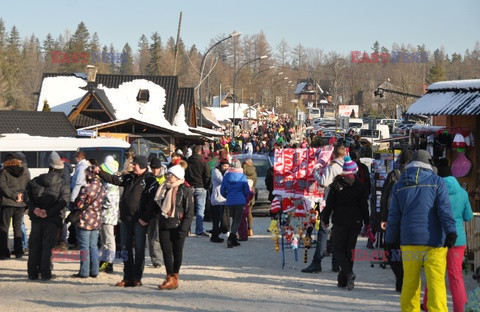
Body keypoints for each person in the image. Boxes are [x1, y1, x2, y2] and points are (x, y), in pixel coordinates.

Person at [386, 150, 457, 311]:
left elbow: (394, 216)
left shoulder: (399, 185)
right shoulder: (438, 182)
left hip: (409, 240)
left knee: (410, 281)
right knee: (436, 282)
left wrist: (390, 240)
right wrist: (451, 232)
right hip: (435, 241)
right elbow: (444, 210)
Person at [97, 155, 158, 287]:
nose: (132, 166)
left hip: (140, 220)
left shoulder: (150, 179)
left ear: (142, 165)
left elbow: (153, 202)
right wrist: (99, 172)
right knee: (125, 249)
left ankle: (137, 278)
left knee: (140, 249)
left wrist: (145, 218)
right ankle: (127, 277)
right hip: (125, 219)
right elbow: (114, 179)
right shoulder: (128, 177)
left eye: (135, 164)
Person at [422, 158, 473, 311]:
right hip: (458, 240)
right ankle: (460, 308)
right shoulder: (462, 193)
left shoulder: (433, 190)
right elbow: (469, 217)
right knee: (456, 276)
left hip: (437, 238)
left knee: (434, 274)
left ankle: (428, 304)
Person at [322, 156, 369, 290]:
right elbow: (364, 206)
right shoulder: (360, 186)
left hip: (340, 222)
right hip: (356, 222)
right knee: (349, 251)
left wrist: (325, 220)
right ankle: (343, 280)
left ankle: (348, 274)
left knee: (337, 249)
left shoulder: (336, 185)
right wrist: (367, 222)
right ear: (354, 172)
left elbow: (329, 205)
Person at [26, 152, 70, 280]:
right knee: (47, 247)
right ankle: (45, 273)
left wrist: (35, 209)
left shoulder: (35, 181)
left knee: (34, 246)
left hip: (36, 219)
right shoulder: (63, 184)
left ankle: (32, 273)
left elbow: (26, 196)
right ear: (60, 170)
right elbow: (64, 201)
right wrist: (48, 212)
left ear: (50, 167)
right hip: (52, 219)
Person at [302, 145, 345, 273]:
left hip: (331, 202)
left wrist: (316, 171)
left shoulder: (332, 167)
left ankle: (317, 263)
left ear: (333, 155)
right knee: (337, 233)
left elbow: (323, 183)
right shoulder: (347, 166)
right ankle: (336, 263)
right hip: (344, 204)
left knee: (323, 232)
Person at [153, 164, 194, 290]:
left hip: (178, 225)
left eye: (171, 174)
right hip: (164, 223)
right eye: (168, 174)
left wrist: (184, 228)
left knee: (177, 252)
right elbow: (157, 206)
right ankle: (169, 276)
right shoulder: (163, 188)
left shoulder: (185, 190)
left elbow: (189, 212)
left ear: (178, 177)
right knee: (166, 251)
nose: (168, 176)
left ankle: (175, 276)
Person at [379, 149, 413, 292]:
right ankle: (404, 279)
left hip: (394, 218)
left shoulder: (394, 174)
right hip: (409, 220)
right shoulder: (415, 176)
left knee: (391, 249)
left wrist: (383, 217)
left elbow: (385, 196)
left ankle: (401, 279)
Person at [72, 166, 106, 278]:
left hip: (85, 220)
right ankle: (95, 271)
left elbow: (79, 204)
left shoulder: (86, 188)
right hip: (96, 219)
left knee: (84, 246)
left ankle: (84, 272)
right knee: (93, 246)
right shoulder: (102, 187)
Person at [0, 153, 30, 259]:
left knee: (4, 228)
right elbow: (28, 186)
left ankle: (4, 253)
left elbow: (2, 186)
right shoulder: (24, 172)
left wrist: (13, 196)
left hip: (7, 203)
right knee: (17, 228)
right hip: (20, 204)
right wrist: (21, 197)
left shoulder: (4, 172)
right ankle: (19, 252)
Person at [220, 159, 250, 248]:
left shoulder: (226, 176)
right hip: (240, 201)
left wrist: (228, 196)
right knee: (237, 220)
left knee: (234, 219)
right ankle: (231, 238)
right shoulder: (243, 177)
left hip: (230, 201)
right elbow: (247, 190)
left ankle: (234, 240)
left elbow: (222, 191)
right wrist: (243, 197)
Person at [98, 156, 120, 274]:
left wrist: (100, 205)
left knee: (109, 240)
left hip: (108, 215)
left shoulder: (110, 184)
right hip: (107, 215)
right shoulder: (109, 181)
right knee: (105, 239)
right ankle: (105, 260)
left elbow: (110, 201)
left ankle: (109, 262)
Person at [185, 145, 211, 237]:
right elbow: (207, 175)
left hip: (189, 187)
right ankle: (199, 230)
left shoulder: (187, 161)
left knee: (188, 210)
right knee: (200, 210)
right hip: (200, 186)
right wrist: (206, 186)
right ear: (200, 151)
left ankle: (187, 229)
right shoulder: (203, 161)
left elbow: (185, 174)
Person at [68, 151, 90, 247]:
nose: (74, 159)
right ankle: (78, 241)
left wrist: (72, 198)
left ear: (78, 157)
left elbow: (78, 183)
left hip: (78, 196)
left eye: (75, 157)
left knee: (76, 220)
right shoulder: (83, 166)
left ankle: (79, 242)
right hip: (81, 195)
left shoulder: (81, 167)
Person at [147, 157, 166, 268]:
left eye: (157, 168)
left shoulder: (166, 177)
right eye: (153, 168)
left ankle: (158, 259)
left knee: (157, 237)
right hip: (151, 210)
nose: (155, 171)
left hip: (162, 210)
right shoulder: (148, 178)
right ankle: (155, 259)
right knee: (151, 236)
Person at [210, 158, 230, 243]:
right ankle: (214, 236)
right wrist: (227, 173)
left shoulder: (225, 172)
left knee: (222, 217)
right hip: (217, 198)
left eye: (227, 166)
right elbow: (222, 180)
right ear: (220, 165)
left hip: (223, 198)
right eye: (224, 166)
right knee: (216, 218)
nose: (226, 168)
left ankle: (217, 233)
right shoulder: (215, 171)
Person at [242, 158, 257, 236]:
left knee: (241, 213)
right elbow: (255, 183)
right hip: (251, 192)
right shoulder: (254, 171)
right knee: (249, 212)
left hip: (243, 193)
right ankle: (250, 230)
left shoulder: (242, 171)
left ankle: (242, 230)